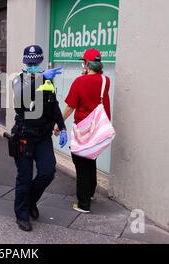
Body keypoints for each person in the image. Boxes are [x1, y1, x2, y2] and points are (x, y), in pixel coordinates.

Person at [11, 45, 68, 232]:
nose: (33, 65)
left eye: (36, 62)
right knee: (25, 177)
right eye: (30, 62)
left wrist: (63, 126)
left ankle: (30, 201)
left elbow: (55, 106)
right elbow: (20, 104)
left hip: (43, 136)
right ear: (25, 62)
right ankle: (22, 213)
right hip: (24, 135)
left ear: (41, 61)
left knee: (47, 172)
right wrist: (41, 77)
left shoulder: (48, 81)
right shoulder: (19, 80)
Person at [58, 48, 111, 214]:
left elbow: (70, 107)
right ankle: (90, 193)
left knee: (81, 165)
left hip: (82, 129)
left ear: (87, 64)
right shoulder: (105, 80)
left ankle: (83, 203)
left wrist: (58, 124)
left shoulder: (79, 82)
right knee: (91, 159)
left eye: (84, 62)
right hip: (97, 129)